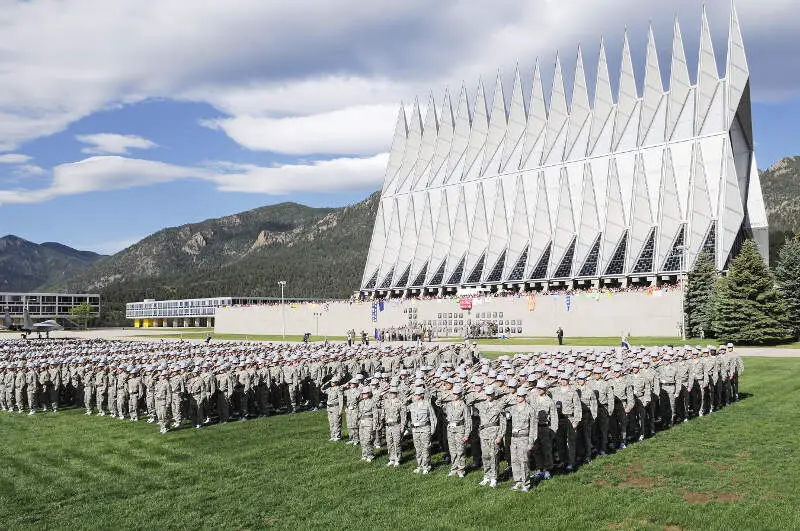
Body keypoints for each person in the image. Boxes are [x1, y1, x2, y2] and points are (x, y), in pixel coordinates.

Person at [506, 387, 536, 492]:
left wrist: (531, 442)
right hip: (514, 438)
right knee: (514, 461)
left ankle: (526, 483)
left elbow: (533, 427)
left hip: (524, 438)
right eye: (517, 396)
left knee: (524, 461)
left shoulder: (530, 410)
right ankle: (517, 481)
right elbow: (502, 410)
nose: (518, 398)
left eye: (520, 396)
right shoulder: (512, 408)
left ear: (524, 397)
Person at [408, 386, 437, 474]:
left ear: (421, 395)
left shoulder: (427, 404)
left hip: (425, 429)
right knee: (418, 448)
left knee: (425, 448)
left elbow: (433, 418)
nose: (415, 396)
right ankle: (419, 465)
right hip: (415, 430)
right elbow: (404, 410)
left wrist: (432, 430)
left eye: (417, 394)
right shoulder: (412, 405)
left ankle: (426, 466)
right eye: (415, 394)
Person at [444, 385, 471, 478]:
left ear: (460, 394)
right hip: (451, 429)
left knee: (461, 450)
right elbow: (438, 403)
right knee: (452, 450)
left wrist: (467, 434)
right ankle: (454, 468)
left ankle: (461, 469)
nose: (454, 395)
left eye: (456, 394)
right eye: (453, 393)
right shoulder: (449, 404)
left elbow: (468, 421)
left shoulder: (464, 406)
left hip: (460, 429)